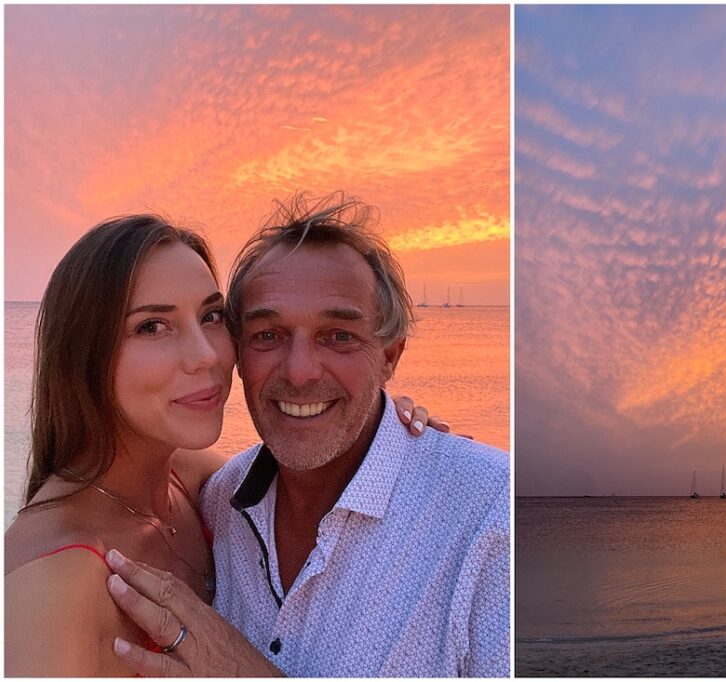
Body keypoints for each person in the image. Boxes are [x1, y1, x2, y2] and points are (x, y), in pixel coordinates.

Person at [4, 215, 436, 676]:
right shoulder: (52, 588)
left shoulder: (198, 482)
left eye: (211, 316)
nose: (207, 355)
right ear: (81, 356)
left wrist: (383, 422)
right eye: (152, 326)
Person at [105, 193, 510, 677]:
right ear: (236, 353)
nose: (299, 373)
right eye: (268, 335)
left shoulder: (490, 521)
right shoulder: (220, 502)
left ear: (389, 357)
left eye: (338, 335)